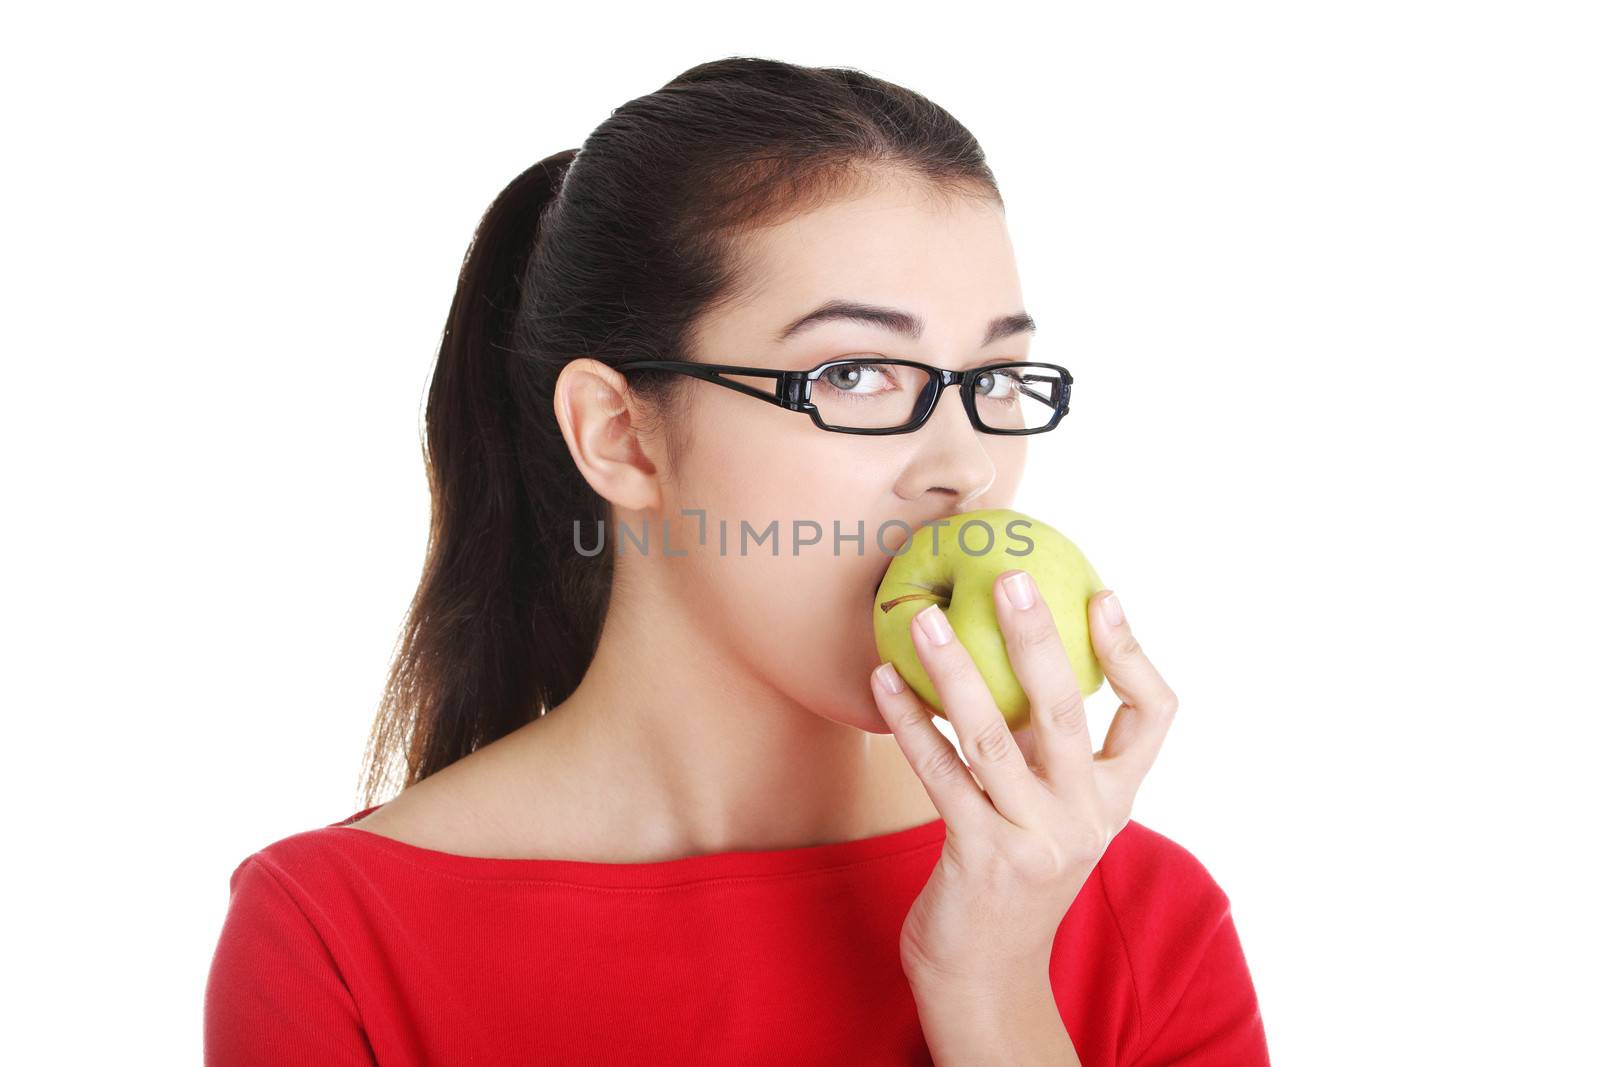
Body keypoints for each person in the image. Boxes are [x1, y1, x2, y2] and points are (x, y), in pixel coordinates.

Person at [203, 55, 1269, 1066]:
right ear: (620, 433)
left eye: (996, 377)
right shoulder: (334, 935)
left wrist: (991, 994)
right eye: (855, 372)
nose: (963, 467)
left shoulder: (1135, 912)